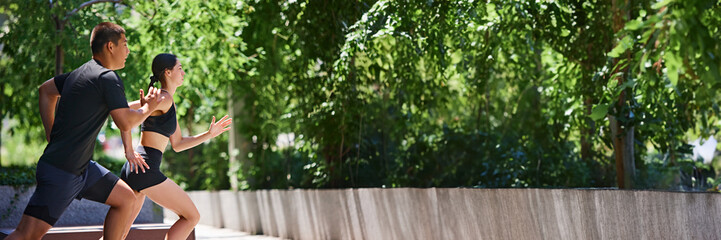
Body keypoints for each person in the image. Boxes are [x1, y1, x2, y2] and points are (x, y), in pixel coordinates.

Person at [6, 22, 163, 240]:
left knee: (126, 199)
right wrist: (149, 108)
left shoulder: (81, 73)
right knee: (26, 235)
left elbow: (46, 91)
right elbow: (125, 122)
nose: (128, 51)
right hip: (61, 170)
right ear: (110, 46)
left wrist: (51, 134)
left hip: (82, 169)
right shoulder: (107, 78)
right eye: (125, 45)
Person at [118, 53, 232, 240]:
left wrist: (209, 134)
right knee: (191, 216)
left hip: (136, 168)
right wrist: (128, 150)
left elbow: (177, 144)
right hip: (145, 167)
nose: (183, 72)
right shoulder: (164, 99)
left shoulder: (165, 101)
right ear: (168, 72)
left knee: (118, 234)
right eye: (180, 68)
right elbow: (123, 114)